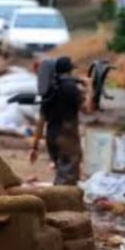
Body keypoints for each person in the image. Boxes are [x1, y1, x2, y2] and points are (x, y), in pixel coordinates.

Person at [29, 56, 89, 185]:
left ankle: (58, 200)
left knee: (62, 172)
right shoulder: (71, 88)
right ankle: (60, 203)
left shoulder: (49, 90)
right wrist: (89, 88)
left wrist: (35, 147)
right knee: (68, 177)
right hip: (66, 137)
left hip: (52, 137)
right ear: (69, 71)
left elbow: (41, 121)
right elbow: (88, 109)